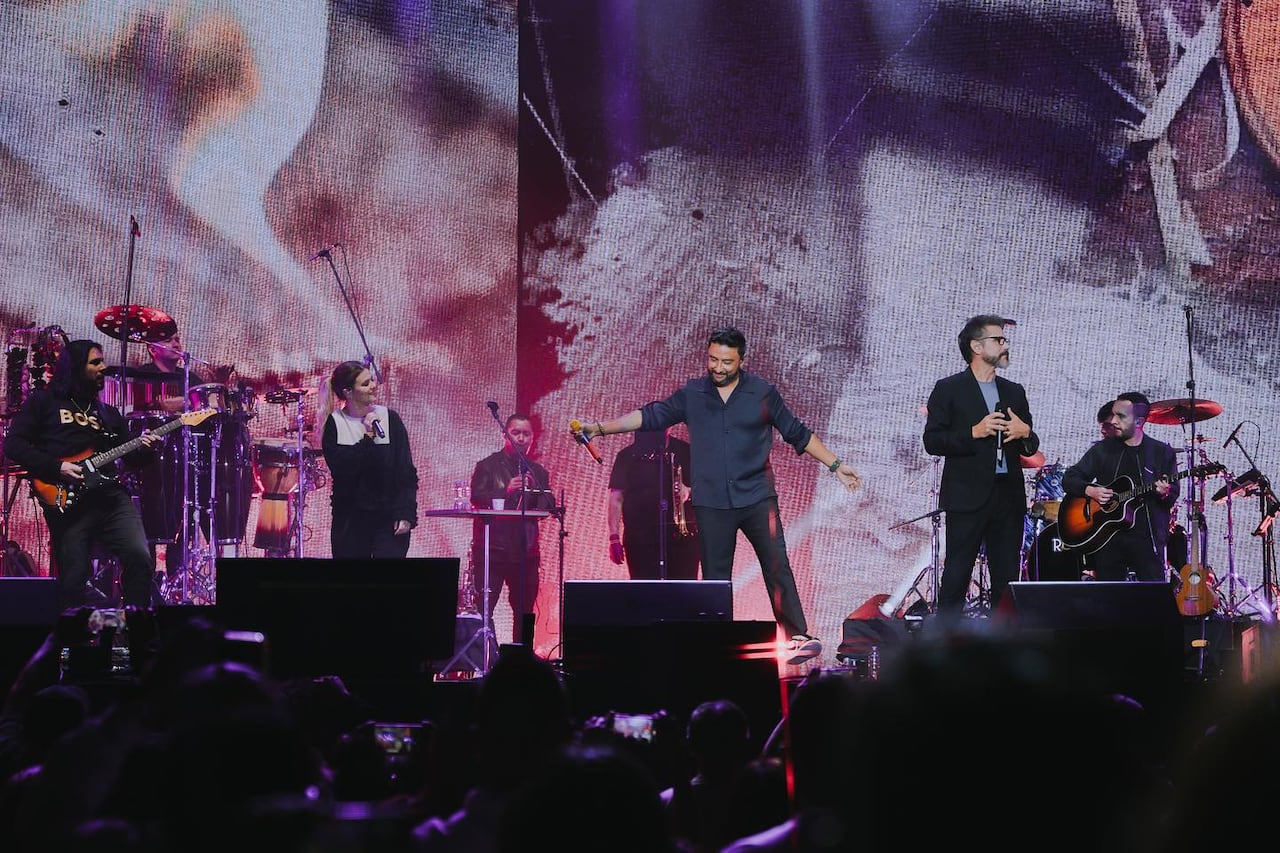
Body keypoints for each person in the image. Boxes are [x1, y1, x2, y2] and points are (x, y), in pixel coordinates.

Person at [573, 326, 861, 665]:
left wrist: (836, 465)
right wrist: (600, 428)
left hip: (757, 497)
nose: (718, 368)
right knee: (715, 579)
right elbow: (649, 416)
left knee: (776, 564)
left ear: (742, 360)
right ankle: (716, 648)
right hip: (711, 503)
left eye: (726, 362)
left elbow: (797, 433)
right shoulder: (693, 394)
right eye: (713, 360)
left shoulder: (762, 393)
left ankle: (797, 636)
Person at [3, 339, 162, 610]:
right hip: (69, 501)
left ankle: (135, 625)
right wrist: (57, 468)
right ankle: (72, 634)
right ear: (76, 367)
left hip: (110, 497)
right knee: (74, 576)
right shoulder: (44, 402)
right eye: (95, 362)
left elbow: (132, 459)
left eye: (102, 361)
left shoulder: (109, 414)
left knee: (139, 556)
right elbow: (14, 445)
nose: (103, 367)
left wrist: (147, 449)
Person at [922, 314, 1038, 618]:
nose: (1005, 345)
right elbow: (933, 440)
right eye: (998, 340)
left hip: (1008, 496)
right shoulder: (949, 388)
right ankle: (945, 640)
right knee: (957, 574)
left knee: (1007, 578)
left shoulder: (1014, 391)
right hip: (967, 496)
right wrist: (974, 432)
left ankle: (1003, 641)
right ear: (976, 346)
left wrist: (1026, 434)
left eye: (1005, 340)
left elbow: (1031, 444)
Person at [1061, 392, 1178, 582]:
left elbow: (1172, 494)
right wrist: (1091, 491)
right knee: (1109, 594)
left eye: (1120, 416)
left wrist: (1165, 493)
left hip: (1147, 537)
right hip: (1108, 537)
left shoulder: (1161, 452)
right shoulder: (1103, 449)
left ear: (1139, 422)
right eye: (1113, 414)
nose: (1113, 421)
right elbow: (1070, 478)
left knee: (1153, 593)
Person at [468, 414, 556, 645]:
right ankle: (487, 656)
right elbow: (476, 497)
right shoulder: (487, 466)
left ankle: (521, 656)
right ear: (505, 435)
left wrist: (536, 490)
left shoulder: (537, 471)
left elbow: (548, 505)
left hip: (525, 552)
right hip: (492, 551)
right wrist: (505, 491)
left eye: (526, 434)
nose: (521, 438)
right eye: (516, 433)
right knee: (484, 607)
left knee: (524, 610)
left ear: (532, 438)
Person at [318, 361, 418, 559]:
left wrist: (406, 513)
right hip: (351, 522)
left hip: (388, 519)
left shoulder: (390, 419)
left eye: (372, 380)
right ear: (348, 392)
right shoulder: (335, 424)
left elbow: (405, 471)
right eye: (365, 383)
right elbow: (343, 469)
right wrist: (368, 438)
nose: (373, 385)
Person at [607, 426, 700, 580]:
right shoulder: (627, 455)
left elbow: (709, 488)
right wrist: (614, 537)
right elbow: (616, 498)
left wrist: (688, 491)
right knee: (644, 591)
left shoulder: (685, 451)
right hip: (640, 539)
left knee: (684, 591)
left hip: (682, 539)